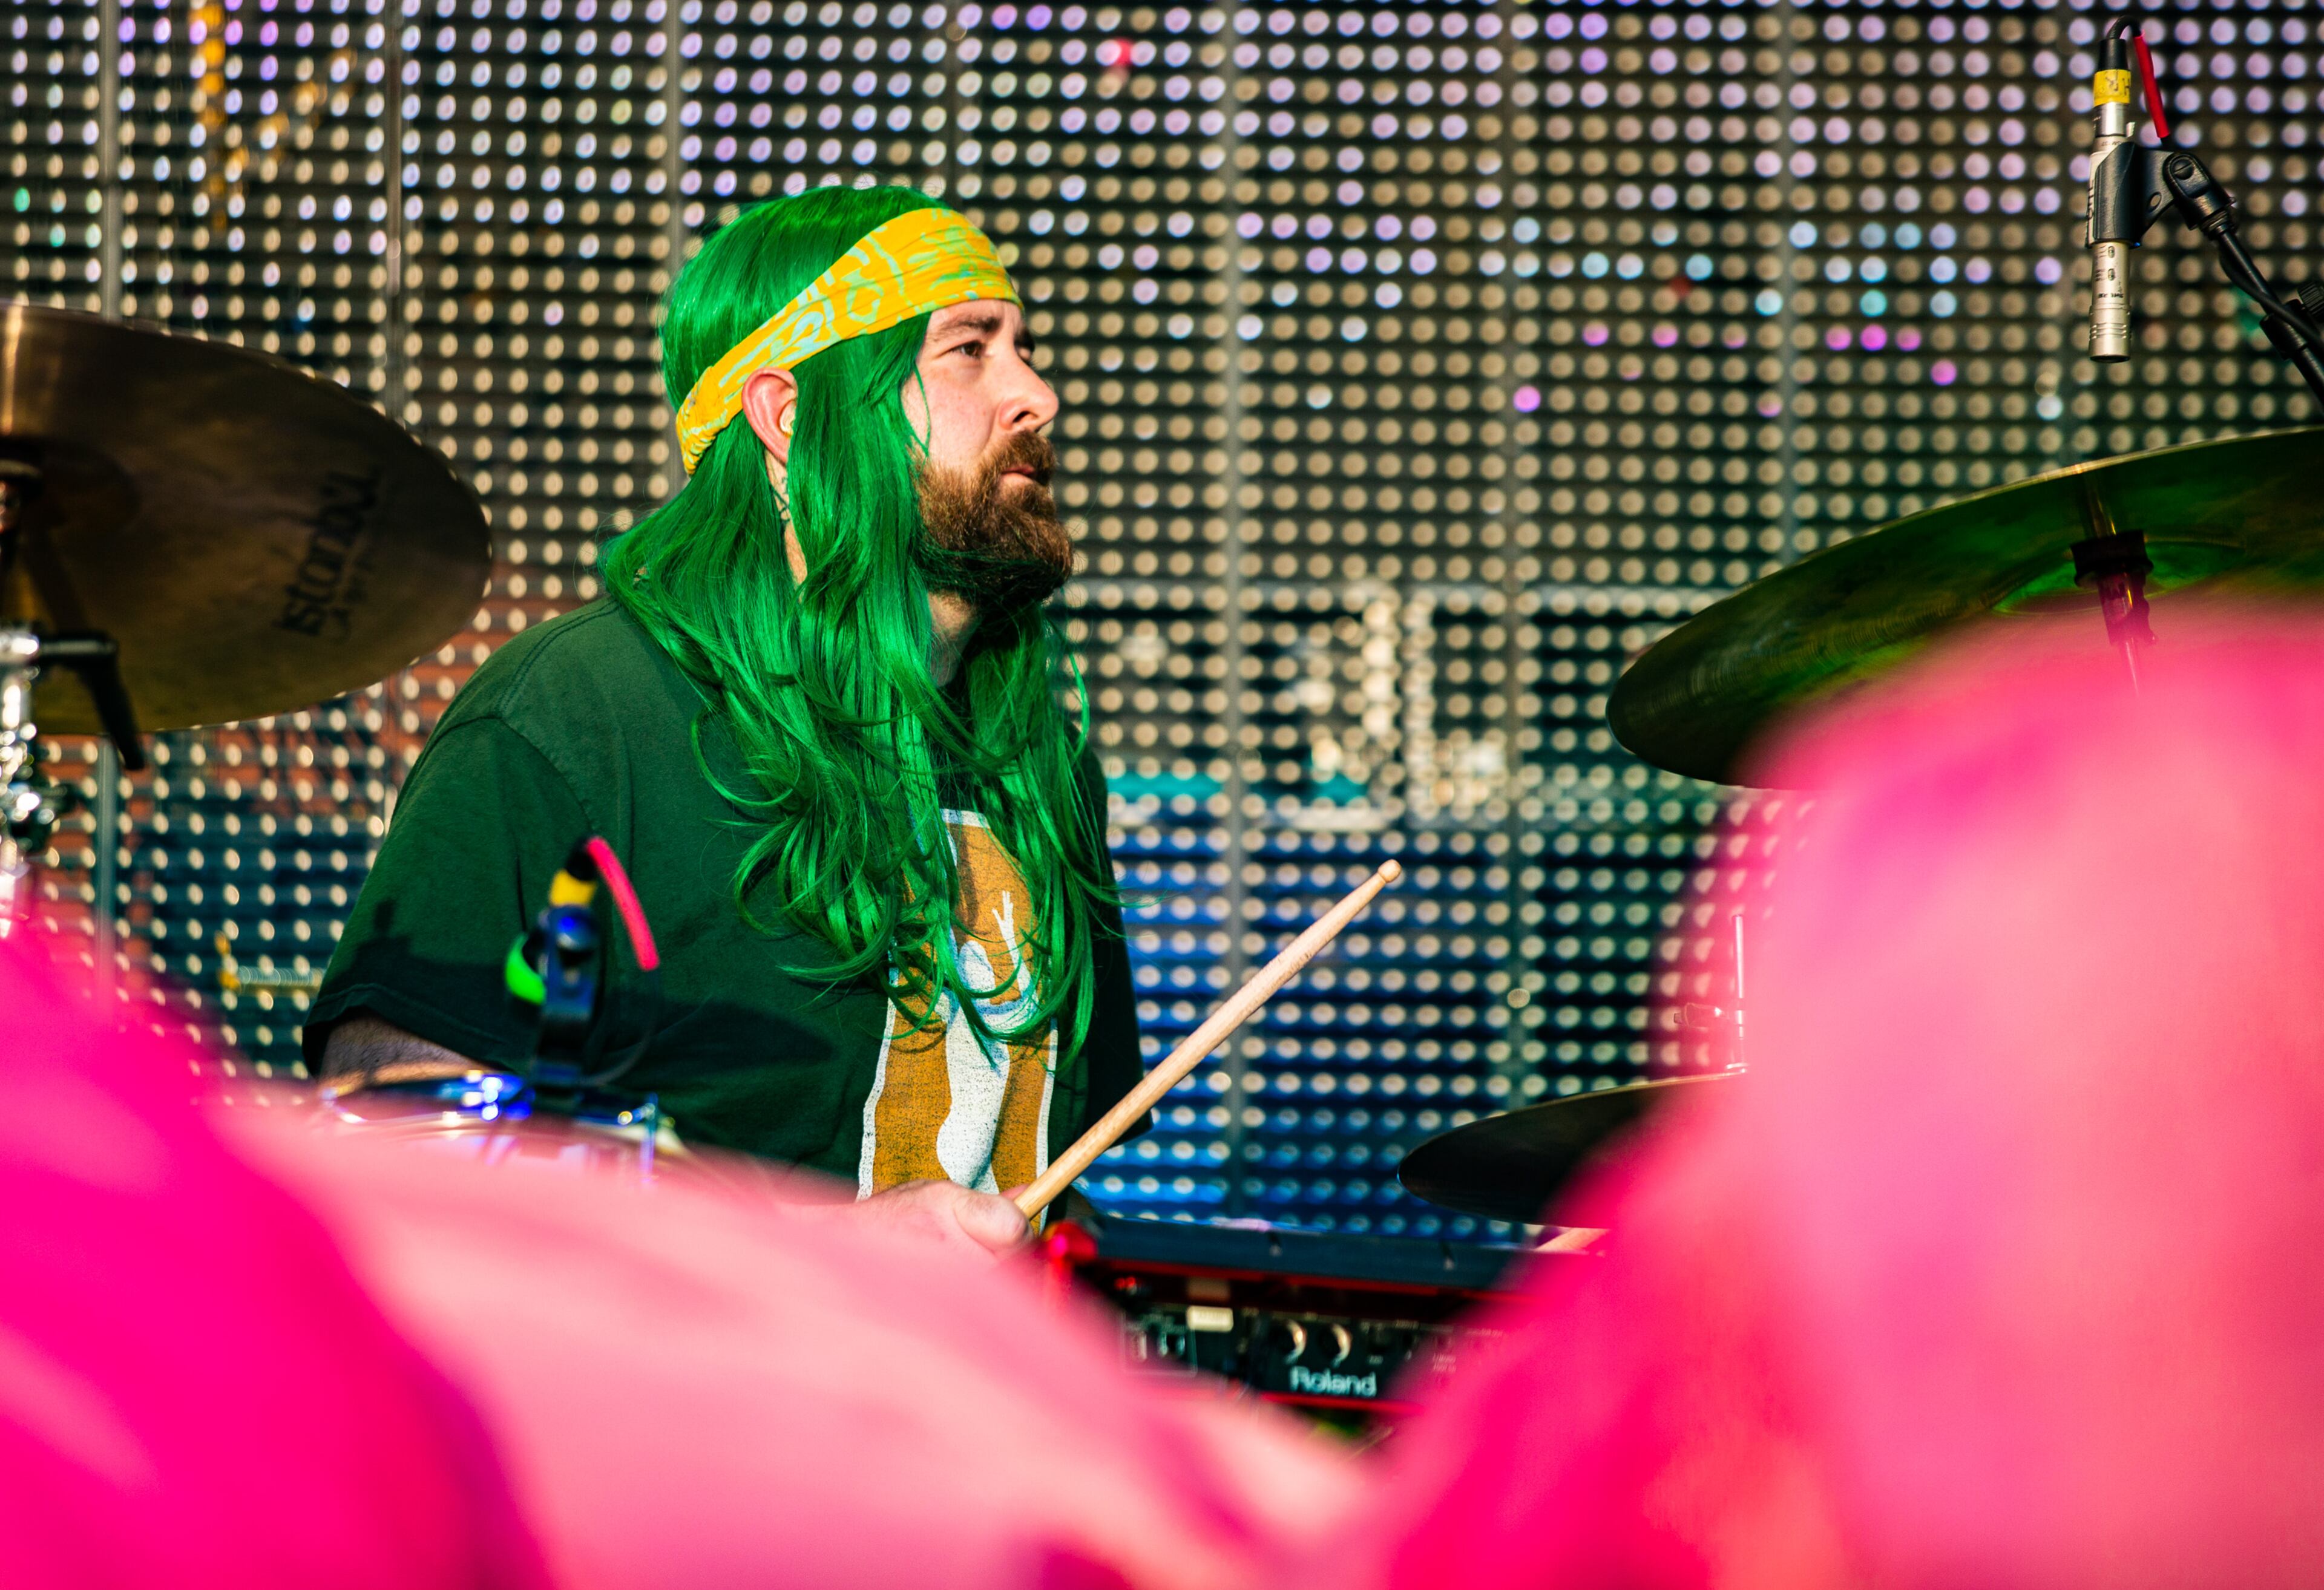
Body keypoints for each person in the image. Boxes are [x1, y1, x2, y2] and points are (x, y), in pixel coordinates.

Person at [306, 188, 1144, 1254]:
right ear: (787, 415)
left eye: (1020, 347)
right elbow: (395, 1131)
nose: (1037, 394)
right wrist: (801, 1253)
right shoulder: (582, 715)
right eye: (969, 351)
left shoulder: (1047, 765)